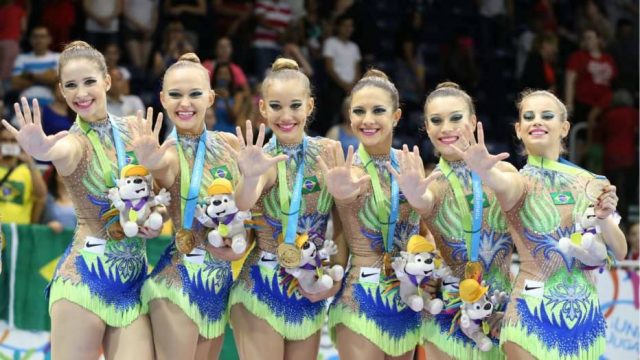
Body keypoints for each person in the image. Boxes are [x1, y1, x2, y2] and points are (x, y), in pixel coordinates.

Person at [1, 41, 155, 359]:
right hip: (84, 280)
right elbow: (54, 152)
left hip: (133, 284)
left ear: (107, 81)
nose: (81, 93)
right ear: (61, 90)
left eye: (89, 82)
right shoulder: (73, 142)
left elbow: (156, 190)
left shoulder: (136, 130)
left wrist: (154, 218)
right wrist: (39, 149)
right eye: (71, 85)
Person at [451, 89, 626, 359]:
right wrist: (485, 170)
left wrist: (604, 219)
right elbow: (502, 183)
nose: (537, 121)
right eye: (528, 117)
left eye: (547, 115)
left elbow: (620, 251)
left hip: (585, 320)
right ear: (519, 130)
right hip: (529, 315)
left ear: (564, 127)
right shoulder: (518, 181)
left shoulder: (592, 182)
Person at [388, 82, 514, 359]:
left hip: (500, 310)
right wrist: (413, 195)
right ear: (427, 128)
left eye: (455, 118)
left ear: (472, 121)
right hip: (448, 310)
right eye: (436, 120)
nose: (446, 128)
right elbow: (424, 203)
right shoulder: (431, 184)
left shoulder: (503, 171)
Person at [227, 58, 343, 360]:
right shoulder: (261, 159)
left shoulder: (329, 152)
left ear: (310, 105)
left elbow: (344, 221)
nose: (286, 115)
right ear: (263, 108)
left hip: (308, 286)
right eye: (276, 106)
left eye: (295, 105)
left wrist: (337, 274)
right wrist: (250, 176)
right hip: (260, 287)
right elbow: (243, 202)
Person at [134, 52, 245, 360]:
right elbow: (164, 171)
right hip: (178, 281)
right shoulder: (165, 151)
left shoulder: (232, 145)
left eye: (195, 94)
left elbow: (247, 212)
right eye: (175, 95)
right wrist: (153, 164)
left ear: (210, 97)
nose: (185, 103)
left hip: (219, 282)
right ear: (162, 99)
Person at [319, 69, 423, 359]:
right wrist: (326, 278)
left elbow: (425, 236)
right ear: (349, 117)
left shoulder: (412, 168)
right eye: (359, 111)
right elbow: (339, 241)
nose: (367, 120)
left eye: (378, 110)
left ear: (396, 116)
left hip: (405, 299)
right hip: (359, 297)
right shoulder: (344, 172)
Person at [0, 126, 47, 224]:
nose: (8, 144)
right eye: (4, 140)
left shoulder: (28, 170)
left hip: (18, 232)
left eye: (13, 141)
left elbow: (41, 196)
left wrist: (30, 162)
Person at [10, 26, 60, 106]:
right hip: (25, 107)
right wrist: (46, 77)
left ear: (49, 39)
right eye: (35, 36)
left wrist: (29, 75)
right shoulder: (22, 58)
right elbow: (15, 83)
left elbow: (56, 79)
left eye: (42, 36)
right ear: (30, 39)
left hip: (51, 107)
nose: (39, 40)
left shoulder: (57, 57)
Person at [42, 167, 76, 232]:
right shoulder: (46, 197)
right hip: (50, 237)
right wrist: (48, 225)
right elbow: (36, 221)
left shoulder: (81, 199)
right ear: (55, 174)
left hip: (72, 240)